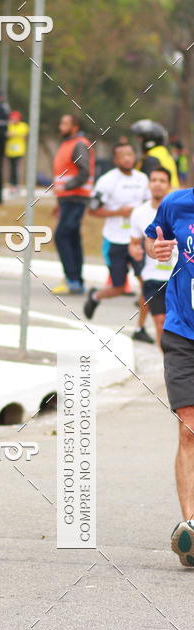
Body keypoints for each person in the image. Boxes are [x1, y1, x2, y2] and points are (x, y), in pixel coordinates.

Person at [144, 189, 194, 566]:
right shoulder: (177, 203)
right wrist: (154, 250)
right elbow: (153, 235)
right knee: (188, 427)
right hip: (183, 333)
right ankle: (191, 528)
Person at [83, 143, 150, 320]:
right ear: (115, 160)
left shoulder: (143, 179)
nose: (127, 158)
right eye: (122, 155)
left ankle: (140, 327)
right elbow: (92, 210)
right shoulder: (106, 181)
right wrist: (118, 212)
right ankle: (95, 296)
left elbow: (150, 205)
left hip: (137, 240)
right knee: (119, 288)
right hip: (115, 240)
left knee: (147, 284)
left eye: (130, 154)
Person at [129, 167, 176, 344]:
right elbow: (134, 243)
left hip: (178, 277)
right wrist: (135, 251)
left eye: (162, 181)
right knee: (160, 322)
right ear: (149, 184)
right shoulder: (139, 213)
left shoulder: (179, 211)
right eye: (154, 180)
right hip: (153, 277)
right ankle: (168, 368)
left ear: (169, 186)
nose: (157, 184)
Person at [51, 113, 95, 295]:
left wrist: (66, 186)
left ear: (75, 127)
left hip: (76, 197)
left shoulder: (79, 144)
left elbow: (84, 171)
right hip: (67, 199)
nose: (61, 126)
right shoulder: (67, 144)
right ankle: (76, 279)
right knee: (72, 238)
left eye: (65, 123)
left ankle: (72, 279)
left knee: (62, 236)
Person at [131, 120, 179, 188]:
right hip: (171, 196)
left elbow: (147, 187)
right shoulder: (162, 153)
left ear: (148, 139)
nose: (139, 142)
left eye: (141, 139)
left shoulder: (151, 159)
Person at [5, 110, 29, 192]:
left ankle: (16, 184)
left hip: (19, 150)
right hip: (10, 150)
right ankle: (12, 184)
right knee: (11, 168)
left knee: (15, 168)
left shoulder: (23, 126)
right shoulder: (9, 125)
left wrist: (13, 134)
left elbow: (23, 135)